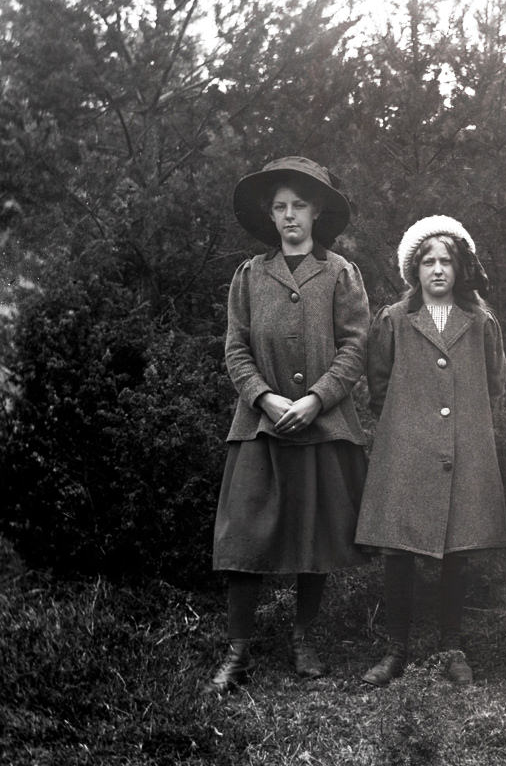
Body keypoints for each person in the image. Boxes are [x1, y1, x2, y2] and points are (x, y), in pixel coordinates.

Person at [206, 156, 370, 695]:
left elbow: (355, 346)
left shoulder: (341, 273)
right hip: (261, 425)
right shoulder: (250, 275)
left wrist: (318, 399)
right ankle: (238, 651)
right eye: (280, 207)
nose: (290, 215)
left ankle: (304, 638)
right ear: (270, 216)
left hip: (321, 425)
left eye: (299, 205)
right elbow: (235, 349)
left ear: (318, 211)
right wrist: (265, 398)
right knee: (245, 535)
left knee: (314, 533)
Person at [355, 215, 506, 687]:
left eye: (447, 261)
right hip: (405, 449)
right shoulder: (395, 320)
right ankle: (396, 648)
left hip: (462, 449)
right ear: (413, 270)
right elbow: (377, 386)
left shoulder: (480, 322)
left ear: (461, 269)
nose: (438, 269)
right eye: (428, 261)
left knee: (454, 552)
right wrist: (410, 423)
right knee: (398, 552)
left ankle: (451, 646)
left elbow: (495, 382)